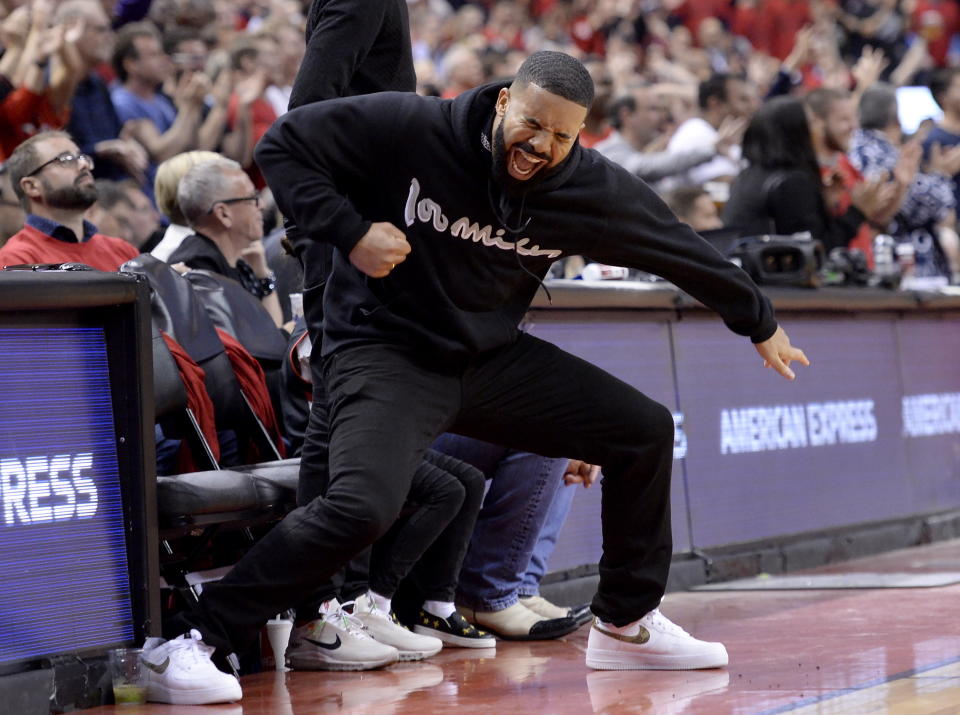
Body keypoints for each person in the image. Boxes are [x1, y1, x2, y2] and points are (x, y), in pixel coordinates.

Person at [139, 51, 809, 704]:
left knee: (642, 429)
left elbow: (676, 245)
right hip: (384, 346)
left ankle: (625, 622)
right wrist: (348, 231)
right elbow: (285, 144)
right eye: (531, 123)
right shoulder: (416, 129)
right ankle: (189, 640)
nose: (539, 144)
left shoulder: (586, 187)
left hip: (486, 358)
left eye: (560, 135)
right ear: (503, 102)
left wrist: (759, 321)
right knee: (363, 507)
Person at [722, 96, 893, 250]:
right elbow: (817, 250)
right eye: (812, 123)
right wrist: (858, 211)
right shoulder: (791, 183)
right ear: (795, 133)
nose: (819, 130)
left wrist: (823, 203)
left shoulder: (747, 175)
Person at [167, 158, 282, 327]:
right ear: (223, 214)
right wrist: (286, 333)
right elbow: (250, 344)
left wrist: (263, 275)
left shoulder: (242, 263)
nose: (262, 205)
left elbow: (272, 332)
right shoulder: (197, 268)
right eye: (252, 197)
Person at [0, 131, 139, 270]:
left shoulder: (123, 251)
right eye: (65, 159)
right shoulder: (16, 260)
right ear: (31, 186)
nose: (83, 165)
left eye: (82, 157)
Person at [595, 85, 743, 185]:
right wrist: (712, 149)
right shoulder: (608, 151)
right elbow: (645, 168)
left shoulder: (649, 151)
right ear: (626, 115)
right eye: (652, 109)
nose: (662, 116)